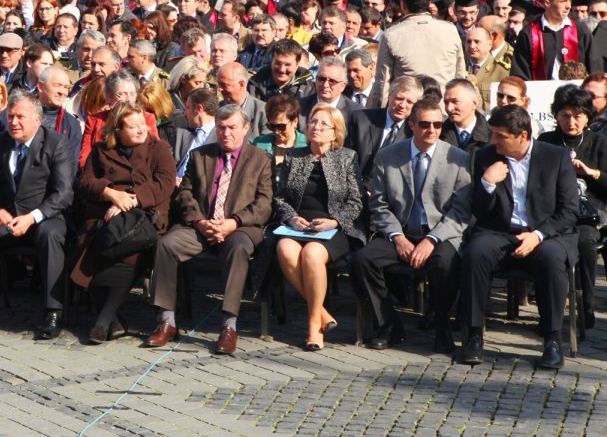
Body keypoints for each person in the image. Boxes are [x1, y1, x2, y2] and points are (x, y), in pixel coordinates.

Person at [144, 104, 272, 354]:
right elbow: (185, 194)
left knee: (238, 249)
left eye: (232, 127)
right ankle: (167, 321)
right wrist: (200, 222)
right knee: (166, 245)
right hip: (201, 224)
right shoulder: (200, 155)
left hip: (240, 227)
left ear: (245, 128)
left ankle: (229, 326)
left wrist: (233, 222)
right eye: (221, 127)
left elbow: (264, 204)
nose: (226, 133)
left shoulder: (260, 159)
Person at [458, 105, 579, 369]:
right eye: (492, 133)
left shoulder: (555, 157)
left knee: (551, 259)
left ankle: (552, 339)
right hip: (500, 231)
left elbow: (570, 210)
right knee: (476, 253)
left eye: (500, 136)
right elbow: (479, 211)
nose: (494, 141)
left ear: (522, 135)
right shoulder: (487, 156)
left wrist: (538, 235)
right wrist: (487, 183)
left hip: (546, 233)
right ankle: (474, 335)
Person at [351, 98, 471, 353]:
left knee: (446, 264)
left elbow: (460, 210)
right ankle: (388, 324)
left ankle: (442, 326)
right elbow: (379, 205)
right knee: (363, 260)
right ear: (412, 125)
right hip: (401, 230)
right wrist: (397, 237)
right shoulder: (388, 156)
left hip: (439, 234)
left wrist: (432, 240)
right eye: (425, 124)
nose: (432, 130)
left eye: (437, 124)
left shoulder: (458, 158)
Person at [0, 91, 76, 341]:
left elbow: (63, 193)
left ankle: (53, 312)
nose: (13, 122)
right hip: (7, 218)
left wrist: (32, 217)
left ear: (37, 120)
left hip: (43, 217)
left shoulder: (56, 143)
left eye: (20, 117)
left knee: (51, 235)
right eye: (10, 116)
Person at [72, 102, 177, 344]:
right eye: (133, 126)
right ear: (118, 130)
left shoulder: (158, 148)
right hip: (104, 213)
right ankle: (115, 322)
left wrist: (131, 199)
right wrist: (110, 194)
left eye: (143, 124)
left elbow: (165, 183)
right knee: (87, 245)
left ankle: (102, 320)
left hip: (145, 215)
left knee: (129, 249)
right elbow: (85, 181)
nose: (142, 130)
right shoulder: (101, 150)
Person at [273, 105, 365, 350]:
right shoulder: (294, 156)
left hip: (334, 227)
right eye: (313, 122)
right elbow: (280, 198)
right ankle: (323, 313)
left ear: (335, 132)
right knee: (284, 249)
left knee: (312, 254)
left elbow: (357, 201)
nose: (316, 127)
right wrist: (291, 218)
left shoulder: (347, 157)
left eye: (324, 124)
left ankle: (314, 326)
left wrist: (335, 221)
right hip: (298, 225)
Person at [536, 85, 607, 328]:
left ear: (588, 117)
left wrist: (592, 173)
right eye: (565, 116)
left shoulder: (598, 142)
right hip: (553, 211)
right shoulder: (547, 141)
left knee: (585, 240)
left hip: (589, 213)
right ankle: (548, 309)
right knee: (543, 244)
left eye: (578, 116)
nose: (571, 122)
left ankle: (586, 305)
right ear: (556, 115)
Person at [372, 0, 465, 107]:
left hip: (409, 110)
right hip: (442, 109)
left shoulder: (391, 35)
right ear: (429, 3)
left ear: (403, 4)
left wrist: (378, 113)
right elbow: (460, 77)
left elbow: (383, 84)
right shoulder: (450, 30)